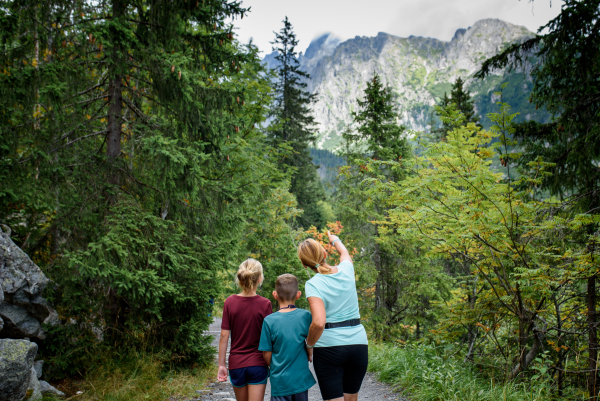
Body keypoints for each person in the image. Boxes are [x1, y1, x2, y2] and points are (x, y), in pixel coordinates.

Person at [298, 232, 368, 401]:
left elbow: (319, 322)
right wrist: (334, 239)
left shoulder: (313, 284)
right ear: (324, 253)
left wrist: (309, 344)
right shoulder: (347, 269)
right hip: (358, 344)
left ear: (304, 265)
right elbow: (344, 253)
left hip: (329, 348)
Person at [218, 259, 272, 401]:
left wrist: (221, 364)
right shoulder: (265, 304)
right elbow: (270, 337)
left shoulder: (229, 302)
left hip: (237, 364)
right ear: (260, 279)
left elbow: (224, 336)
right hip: (258, 364)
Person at [258, 274, 316, 401]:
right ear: (298, 294)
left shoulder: (269, 321)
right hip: (300, 380)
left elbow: (266, 354)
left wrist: (275, 366)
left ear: (275, 295)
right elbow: (313, 338)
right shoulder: (305, 316)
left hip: (280, 382)